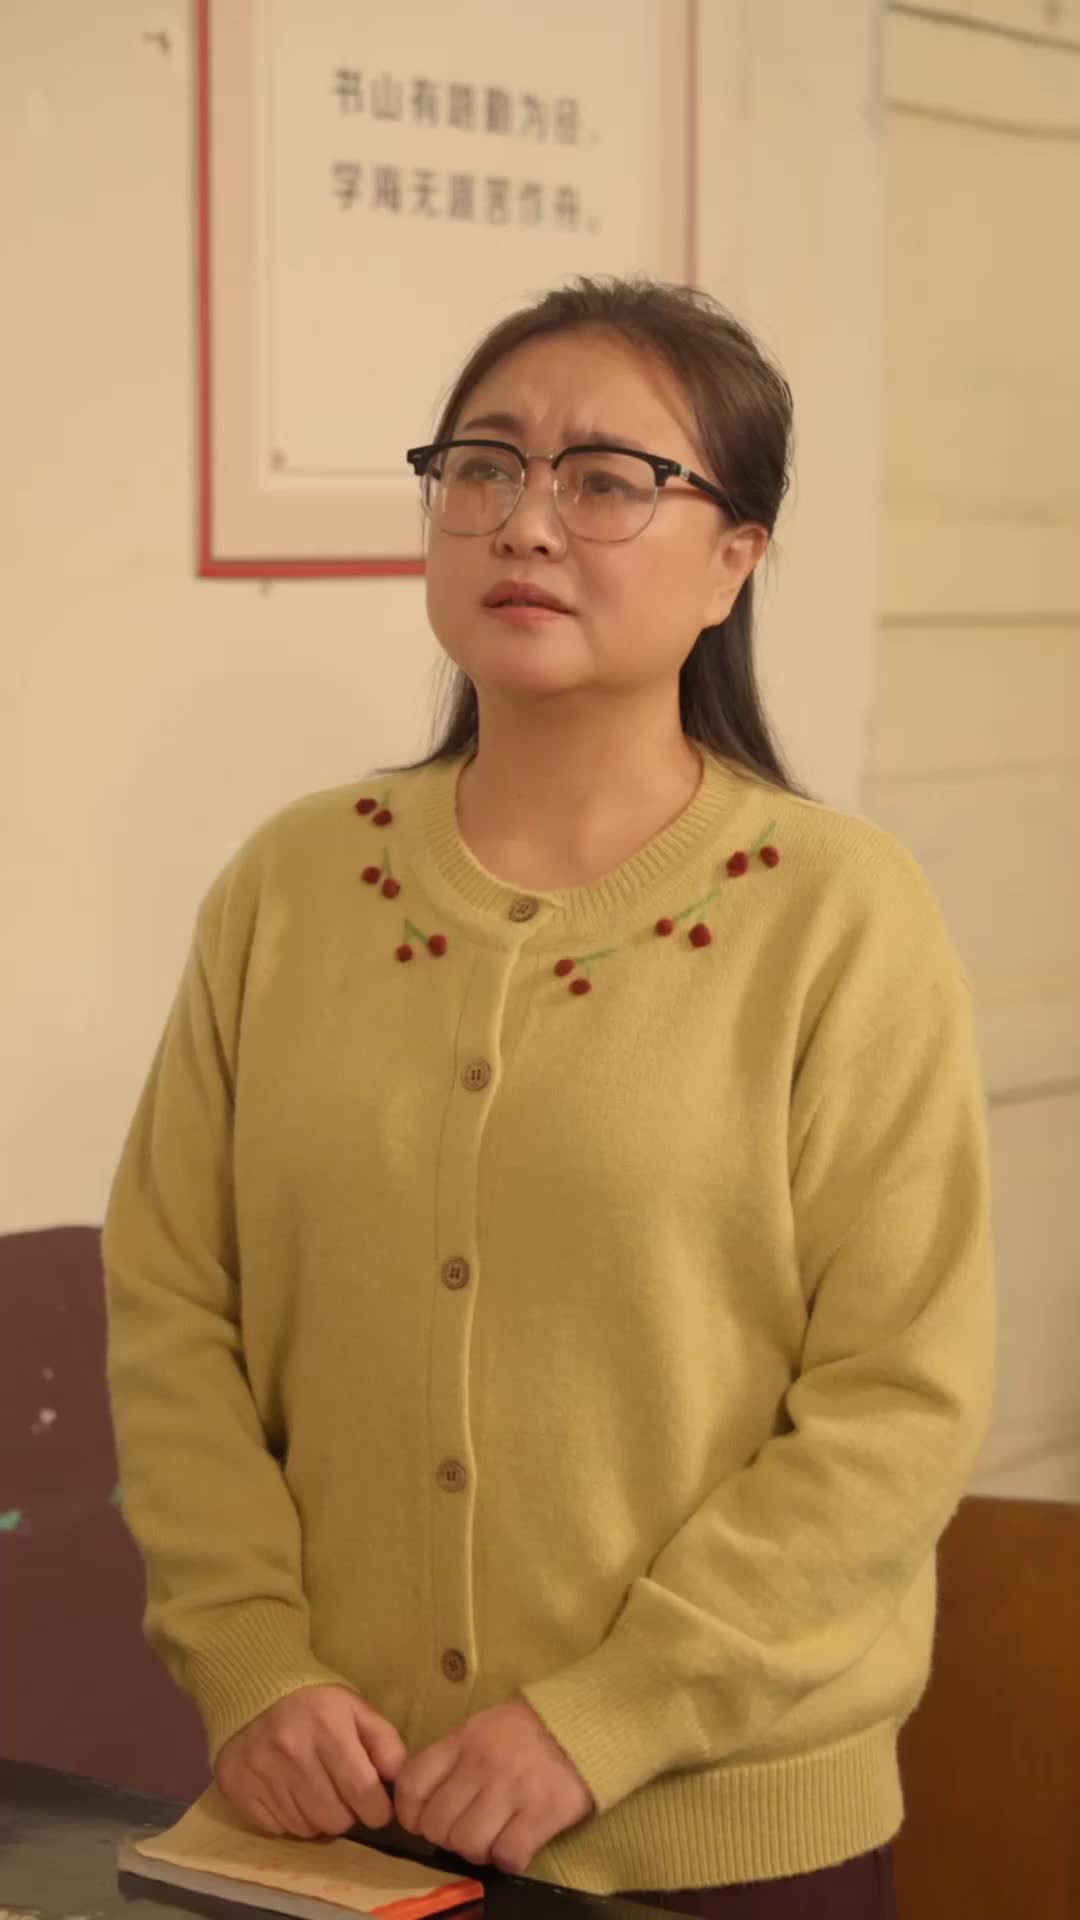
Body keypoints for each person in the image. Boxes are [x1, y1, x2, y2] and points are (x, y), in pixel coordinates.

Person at [104, 276, 994, 1920]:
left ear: (735, 558)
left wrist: (609, 1719)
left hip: (720, 1845)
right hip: (330, 1816)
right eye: (485, 467)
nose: (524, 521)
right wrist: (251, 1662)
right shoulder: (290, 886)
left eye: (607, 480)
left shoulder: (839, 915)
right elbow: (174, 1307)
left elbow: (901, 1397)